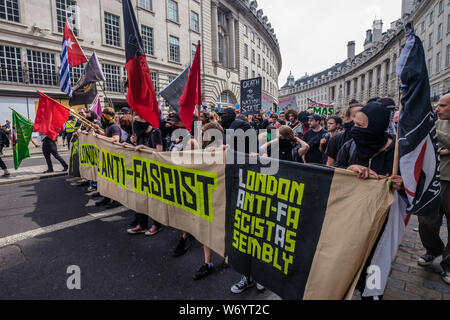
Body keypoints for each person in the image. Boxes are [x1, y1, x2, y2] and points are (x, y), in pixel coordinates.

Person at [335, 102, 404, 299]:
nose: (355, 130)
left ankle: (372, 294)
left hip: (383, 225)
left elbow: (416, 192)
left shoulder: (399, 152)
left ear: (376, 126)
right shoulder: (349, 146)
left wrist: (402, 185)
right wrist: (349, 170)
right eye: (354, 124)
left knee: (376, 267)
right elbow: (334, 173)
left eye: (361, 126)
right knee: (350, 265)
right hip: (352, 221)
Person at [417, 93, 450, 285]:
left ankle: (448, 264)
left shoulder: (438, 128)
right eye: (438, 105)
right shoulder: (438, 122)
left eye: (443, 106)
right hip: (433, 177)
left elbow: (437, 139)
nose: (438, 109)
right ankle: (433, 249)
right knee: (426, 219)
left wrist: (439, 136)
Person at [126, 114, 164, 237]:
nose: (135, 123)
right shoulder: (140, 133)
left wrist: (143, 147)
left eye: (137, 120)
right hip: (142, 170)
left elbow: (160, 151)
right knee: (140, 198)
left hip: (154, 171)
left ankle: (156, 225)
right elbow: (137, 149)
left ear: (145, 120)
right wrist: (129, 144)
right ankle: (142, 225)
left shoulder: (155, 132)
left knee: (154, 199)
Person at [95, 107, 122, 207]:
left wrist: (100, 137)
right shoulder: (108, 127)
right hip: (107, 156)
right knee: (106, 179)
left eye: (103, 116)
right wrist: (99, 131)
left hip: (113, 157)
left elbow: (115, 139)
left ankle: (116, 200)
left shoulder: (114, 127)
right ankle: (106, 198)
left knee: (113, 180)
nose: (102, 119)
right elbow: (107, 135)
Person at [326, 100, 363, 167]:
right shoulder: (336, 139)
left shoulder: (371, 140)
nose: (360, 119)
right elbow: (329, 165)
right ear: (345, 119)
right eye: (355, 116)